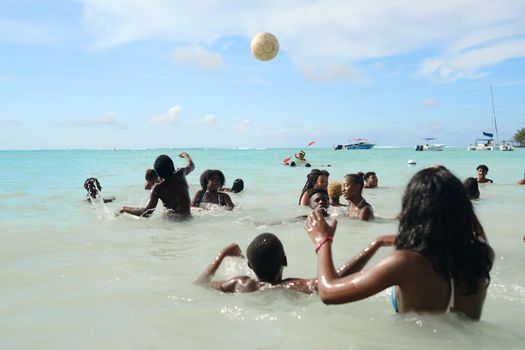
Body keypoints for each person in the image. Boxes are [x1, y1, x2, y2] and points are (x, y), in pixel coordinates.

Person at [305, 166, 494, 320]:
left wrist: (323, 241)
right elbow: (469, 220)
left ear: (413, 207)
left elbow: (328, 293)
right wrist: (448, 187)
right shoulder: (481, 254)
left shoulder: (405, 262)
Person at [195, 233, 317, 293]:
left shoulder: (241, 284)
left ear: (250, 266)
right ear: (285, 261)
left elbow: (201, 283)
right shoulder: (294, 285)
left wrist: (221, 254)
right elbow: (329, 281)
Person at [118, 152, 194, 219]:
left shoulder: (158, 188)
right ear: (172, 166)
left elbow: (147, 213)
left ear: (157, 174)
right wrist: (186, 155)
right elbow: (191, 165)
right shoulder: (181, 173)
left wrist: (124, 209)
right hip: (188, 218)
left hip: (171, 221)